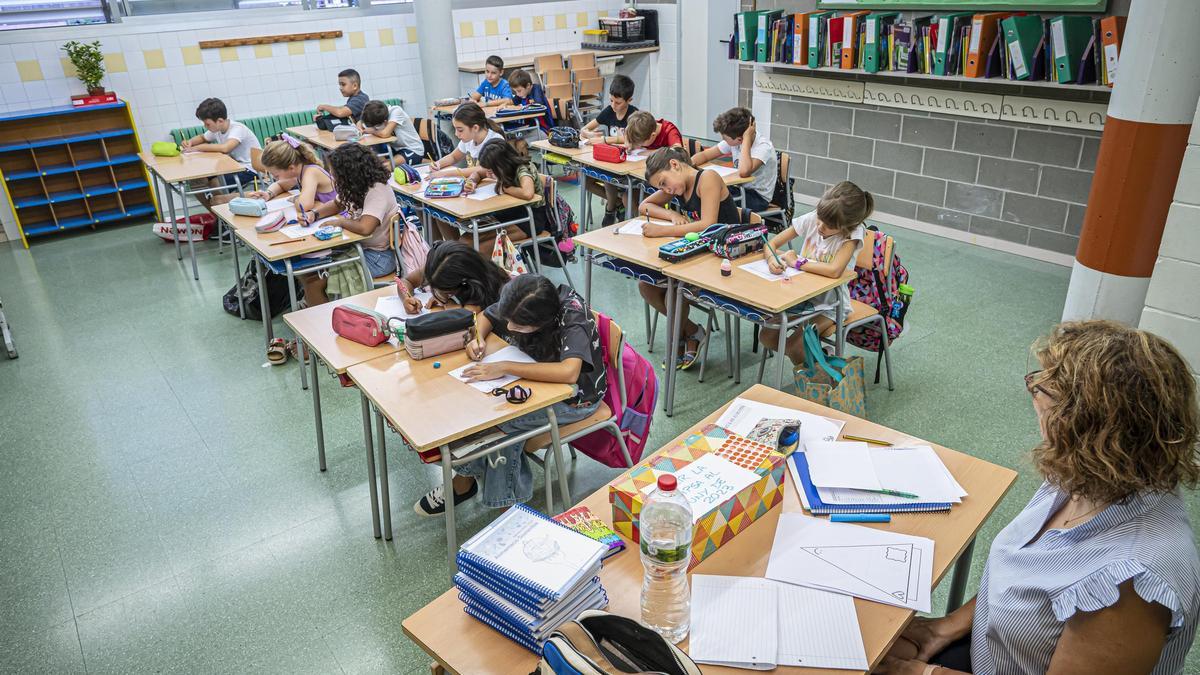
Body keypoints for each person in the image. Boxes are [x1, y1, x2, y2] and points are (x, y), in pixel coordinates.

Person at [878, 320, 1200, 675]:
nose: (1034, 392)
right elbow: (1025, 577)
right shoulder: (1089, 473)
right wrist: (945, 626)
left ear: (1080, 422)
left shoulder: (1129, 583)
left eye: (1044, 388)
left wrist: (922, 673)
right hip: (995, 652)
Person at [414, 274, 606, 516]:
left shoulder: (573, 317)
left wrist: (505, 367)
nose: (511, 327)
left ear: (543, 321)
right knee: (483, 411)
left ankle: (504, 507)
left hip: (576, 399)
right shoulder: (522, 296)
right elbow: (487, 316)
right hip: (537, 380)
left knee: (500, 427)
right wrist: (477, 338)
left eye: (519, 326)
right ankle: (470, 484)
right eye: (510, 322)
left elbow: (569, 372)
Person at [637, 146, 758, 370]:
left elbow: (707, 225)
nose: (666, 190)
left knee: (675, 290)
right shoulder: (678, 187)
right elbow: (644, 205)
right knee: (646, 286)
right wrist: (672, 213)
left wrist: (661, 230)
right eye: (660, 187)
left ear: (675, 165)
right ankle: (692, 331)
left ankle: (681, 340)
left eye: (664, 182)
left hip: (727, 258)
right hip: (702, 255)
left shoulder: (707, 179)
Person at [758, 181, 871, 366]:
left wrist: (797, 262)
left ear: (846, 226)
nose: (820, 227)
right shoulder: (815, 218)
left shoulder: (853, 234)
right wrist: (772, 259)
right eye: (820, 219)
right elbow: (771, 244)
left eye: (828, 226)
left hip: (831, 305)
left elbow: (834, 271)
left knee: (797, 348)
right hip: (802, 297)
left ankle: (819, 376)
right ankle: (822, 357)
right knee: (767, 336)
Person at [299, 143, 397, 306]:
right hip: (358, 248)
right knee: (306, 271)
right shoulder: (356, 185)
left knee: (313, 281)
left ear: (350, 171)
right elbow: (337, 204)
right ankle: (317, 306)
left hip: (378, 257)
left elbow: (366, 228)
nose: (332, 175)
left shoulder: (377, 190)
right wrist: (313, 215)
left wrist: (341, 222)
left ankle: (322, 325)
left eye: (334, 171)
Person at [691, 106, 777, 212]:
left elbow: (744, 172)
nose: (723, 141)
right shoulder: (734, 141)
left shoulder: (763, 146)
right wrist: (688, 165)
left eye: (725, 139)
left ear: (740, 139)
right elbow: (705, 155)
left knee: (711, 197)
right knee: (704, 189)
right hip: (739, 189)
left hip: (757, 198)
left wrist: (746, 140)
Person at [181, 97, 261, 209]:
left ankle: (222, 214)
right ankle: (216, 214)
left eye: (207, 124)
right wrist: (190, 142)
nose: (205, 126)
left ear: (220, 121)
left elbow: (225, 148)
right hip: (231, 167)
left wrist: (197, 148)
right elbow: (202, 137)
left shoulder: (237, 129)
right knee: (196, 182)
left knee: (215, 183)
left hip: (248, 169)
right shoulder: (217, 129)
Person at [580, 74, 638, 226]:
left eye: (618, 102)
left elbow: (630, 142)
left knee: (607, 177)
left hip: (628, 163)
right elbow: (584, 129)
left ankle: (611, 209)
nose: (613, 105)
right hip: (610, 160)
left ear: (629, 100)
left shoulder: (634, 115)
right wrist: (589, 133)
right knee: (586, 180)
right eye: (611, 100)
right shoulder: (609, 111)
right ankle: (617, 203)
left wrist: (606, 140)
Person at [396, 240, 510, 314]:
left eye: (446, 292)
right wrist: (407, 298)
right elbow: (406, 281)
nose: (436, 292)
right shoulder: (437, 268)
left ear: (464, 282)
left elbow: (466, 316)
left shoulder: (483, 288)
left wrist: (448, 303)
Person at [245, 135, 336, 215]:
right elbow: (280, 185)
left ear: (291, 168)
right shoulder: (299, 170)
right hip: (324, 214)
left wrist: (295, 199)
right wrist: (268, 193)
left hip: (338, 216)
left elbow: (304, 206)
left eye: (276, 176)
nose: (274, 178)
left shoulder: (311, 172)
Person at [429, 102, 503, 182]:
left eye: (460, 130)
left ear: (475, 128)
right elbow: (454, 157)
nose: (456, 134)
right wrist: (438, 164)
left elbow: (482, 169)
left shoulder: (495, 141)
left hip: (492, 187)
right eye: (455, 129)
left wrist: (444, 174)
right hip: (476, 184)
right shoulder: (469, 139)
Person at [358, 99, 426, 166]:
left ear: (385, 121)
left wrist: (372, 131)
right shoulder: (377, 114)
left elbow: (385, 134)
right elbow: (361, 121)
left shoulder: (396, 111)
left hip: (413, 150)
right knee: (373, 161)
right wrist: (359, 125)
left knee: (385, 166)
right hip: (396, 149)